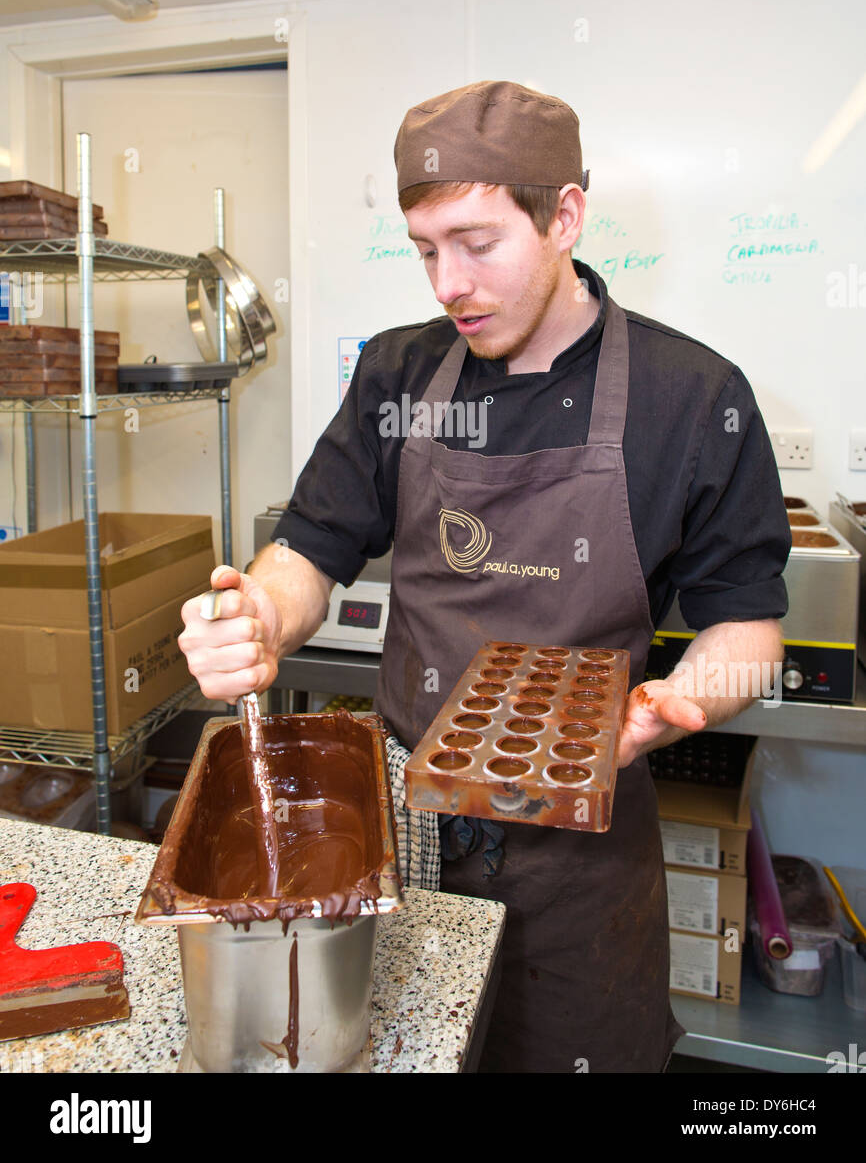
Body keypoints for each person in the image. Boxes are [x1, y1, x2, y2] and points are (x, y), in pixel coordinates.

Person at [179, 80, 790, 1073]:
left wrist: (683, 698)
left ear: (562, 217)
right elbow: (309, 550)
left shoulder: (692, 396)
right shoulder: (397, 375)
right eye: (425, 250)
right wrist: (259, 612)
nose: (446, 285)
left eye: (476, 243)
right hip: (405, 835)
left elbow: (745, 628)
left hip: (579, 865)